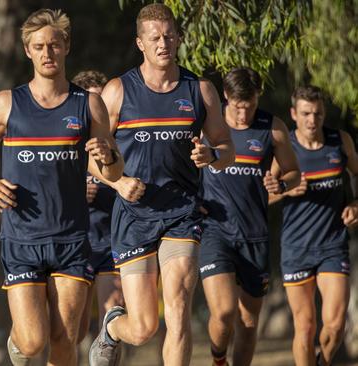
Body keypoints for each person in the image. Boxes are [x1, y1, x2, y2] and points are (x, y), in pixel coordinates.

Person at [0, 9, 123, 366]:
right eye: (39, 46)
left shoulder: (88, 104)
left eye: (54, 45)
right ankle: (19, 338)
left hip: (71, 237)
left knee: (65, 339)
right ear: (28, 51)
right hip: (21, 239)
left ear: (66, 46)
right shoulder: (8, 103)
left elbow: (113, 170)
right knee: (34, 341)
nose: (47, 53)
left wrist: (108, 157)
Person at [88, 4, 235, 366]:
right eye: (155, 38)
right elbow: (92, 156)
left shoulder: (200, 90)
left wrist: (212, 156)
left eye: (169, 36)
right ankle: (111, 328)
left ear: (179, 37)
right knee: (142, 328)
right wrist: (119, 183)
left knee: (180, 306)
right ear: (140, 42)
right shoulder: (117, 91)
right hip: (134, 216)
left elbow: (227, 147)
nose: (163, 43)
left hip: (181, 213)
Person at [198, 67, 300, 366]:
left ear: (258, 98)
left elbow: (294, 172)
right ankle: (218, 360)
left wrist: (281, 184)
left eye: (251, 106)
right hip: (214, 231)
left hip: (254, 233)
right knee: (225, 311)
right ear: (226, 97)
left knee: (248, 320)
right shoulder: (207, 128)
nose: (244, 115)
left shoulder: (272, 127)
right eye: (238, 107)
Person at [269, 86, 358, 366]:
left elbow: (357, 173)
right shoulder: (286, 149)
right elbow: (264, 195)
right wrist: (286, 190)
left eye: (318, 114)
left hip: (333, 244)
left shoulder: (339, 141)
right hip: (296, 248)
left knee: (334, 326)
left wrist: (355, 203)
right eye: (306, 113)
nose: (312, 120)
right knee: (305, 327)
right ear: (294, 114)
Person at [71, 70, 125, 347]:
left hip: (110, 243)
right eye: (93, 100)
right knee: (74, 331)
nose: (99, 107)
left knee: (111, 325)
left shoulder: (116, 141)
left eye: (102, 99)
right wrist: (76, 193)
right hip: (74, 246)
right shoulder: (67, 141)